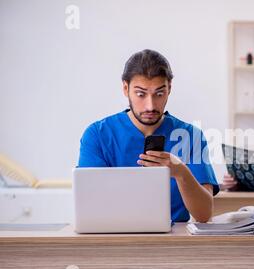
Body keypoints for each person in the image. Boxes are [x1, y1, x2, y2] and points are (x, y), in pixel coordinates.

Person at [78, 49, 219, 223]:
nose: (150, 106)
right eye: (141, 94)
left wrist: (181, 173)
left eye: (159, 94)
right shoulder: (97, 135)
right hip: (114, 239)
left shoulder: (191, 136)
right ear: (125, 88)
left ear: (169, 89)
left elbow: (204, 214)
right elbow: (89, 205)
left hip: (174, 243)